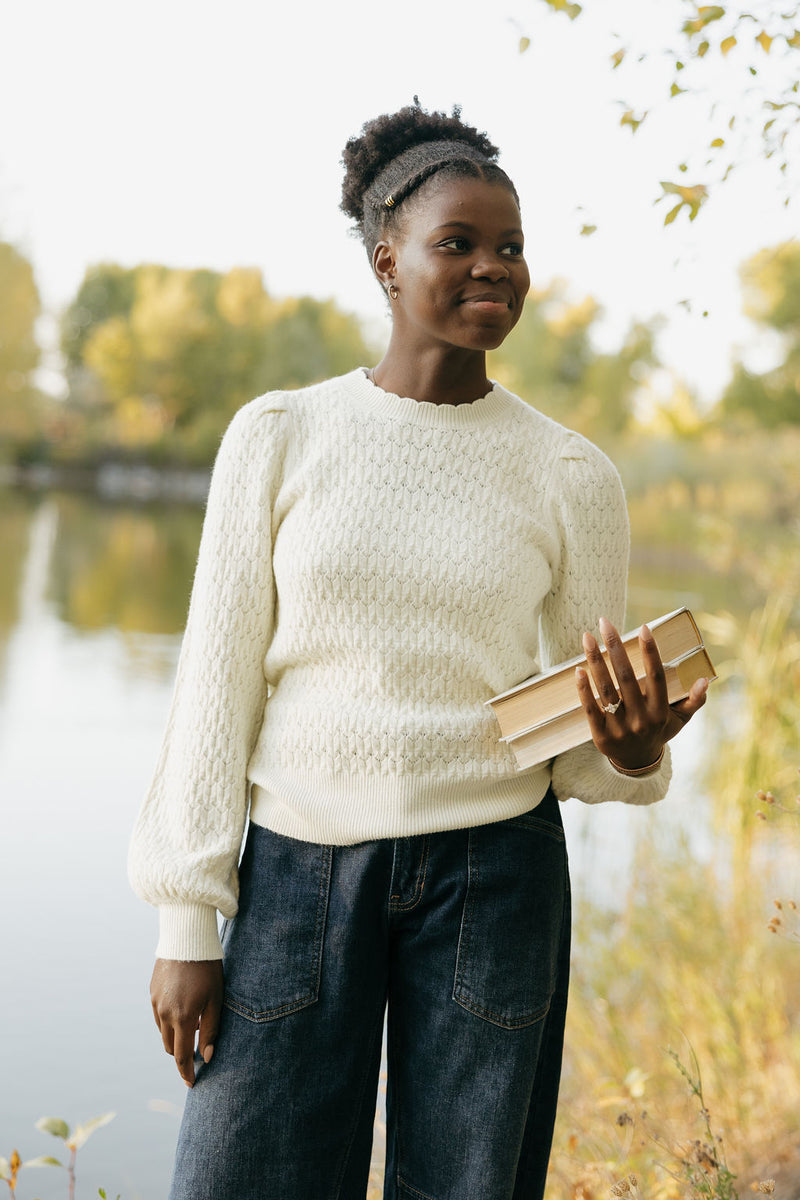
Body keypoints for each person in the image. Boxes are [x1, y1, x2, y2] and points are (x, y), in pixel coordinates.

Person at [128, 101, 708, 1200]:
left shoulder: (570, 475)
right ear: (386, 261)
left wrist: (631, 752)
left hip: (491, 880)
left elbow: (580, 752)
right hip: (291, 882)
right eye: (460, 245)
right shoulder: (278, 435)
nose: (494, 269)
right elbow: (213, 686)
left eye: (510, 248)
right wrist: (185, 925)